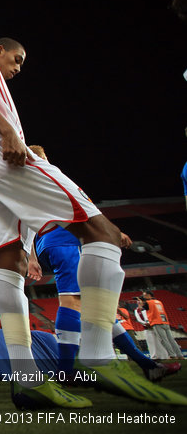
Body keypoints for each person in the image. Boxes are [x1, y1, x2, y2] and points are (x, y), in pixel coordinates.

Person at [0, 38, 187, 409]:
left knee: (10, 265)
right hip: (0, 153)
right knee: (105, 233)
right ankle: (98, 356)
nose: (17, 68)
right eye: (16, 59)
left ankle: (27, 380)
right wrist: (10, 133)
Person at [24, 146, 180, 383]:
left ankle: (146, 364)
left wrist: (32, 257)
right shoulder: (48, 174)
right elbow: (82, 207)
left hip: (50, 243)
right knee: (72, 300)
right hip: (65, 240)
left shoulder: (24, 185)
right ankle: (66, 370)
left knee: (99, 307)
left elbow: (25, 221)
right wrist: (111, 232)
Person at [144, 292, 185, 360]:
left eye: (144, 295)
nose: (144, 297)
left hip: (157, 322)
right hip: (165, 322)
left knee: (163, 340)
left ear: (149, 296)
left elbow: (143, 307)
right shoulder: (158, 301)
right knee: (171, 340)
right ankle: (180, 355)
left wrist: (141, 302)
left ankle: (172, 355)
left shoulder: (149, 302)